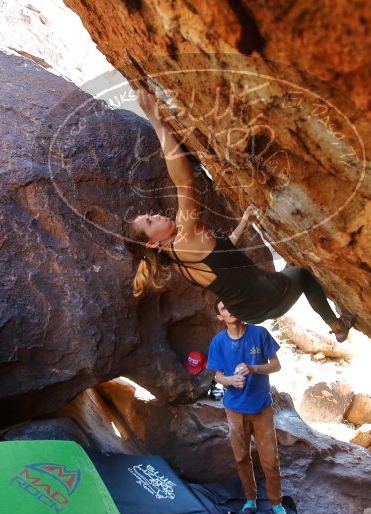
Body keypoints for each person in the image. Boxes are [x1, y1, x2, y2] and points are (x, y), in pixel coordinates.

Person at [123, 88, 356, 342]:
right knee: (303, 274)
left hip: (251, 310)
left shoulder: (176, 259)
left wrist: (243, 224)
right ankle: (337, 326)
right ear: (152, 242)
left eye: (150, 215)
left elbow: (223, 257)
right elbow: (184, 182)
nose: (156, 216)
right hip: (270, 298)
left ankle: (327, 315)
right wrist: (156, 121)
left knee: (291, 264)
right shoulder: (184, 237)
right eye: (150, 222)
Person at [207, 299, 291, 514]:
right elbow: (217, 375)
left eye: (231, 305)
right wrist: (229, 380)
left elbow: (276, 365)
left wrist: (254, 368)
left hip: (261, 407)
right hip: (234, 408)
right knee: (241, 457)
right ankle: (250, 499)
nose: (229, 310)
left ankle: (276, 504)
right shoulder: (218, 342)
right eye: (223, 309)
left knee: (270, 459)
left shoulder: (259, 333)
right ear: (219, 317)